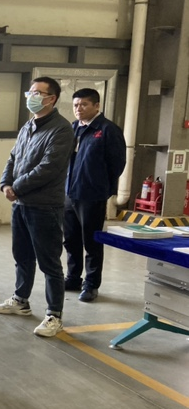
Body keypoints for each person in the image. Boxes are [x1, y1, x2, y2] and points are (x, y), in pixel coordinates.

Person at [0, 76, 75, 337]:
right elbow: (13, 157)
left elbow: (49, 167)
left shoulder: (61, 130)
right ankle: (21, 300)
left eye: (38, 92)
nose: (32, 96)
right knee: (22, 256)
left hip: (44, 206)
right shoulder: (28, 126)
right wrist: (6, 183)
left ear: (52, 98)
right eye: (30, 92)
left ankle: (54, 314)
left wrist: (17, 187)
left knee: (49, 262)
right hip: (21, 204)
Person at [64, 88, 126, 302]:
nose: (78, 109)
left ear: (97, 105)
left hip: (92, 195)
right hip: (69, 193)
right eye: (75, 105)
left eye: (84, 104)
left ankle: (91, 284)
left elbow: (117, 164)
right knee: (70, 240)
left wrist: (102, 188)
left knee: (91, 241)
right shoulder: (73, 128)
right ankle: (73, 278)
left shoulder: (107, 130)